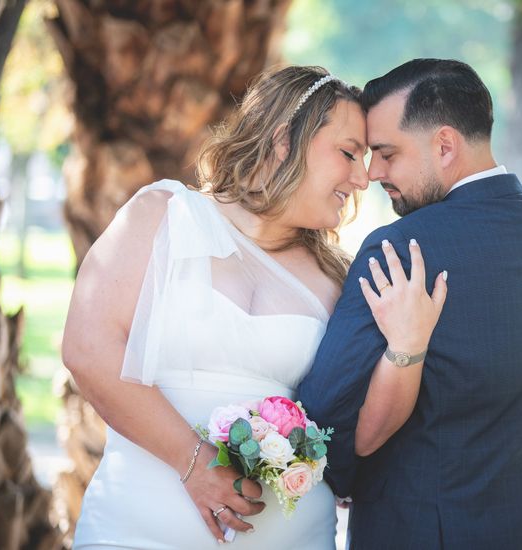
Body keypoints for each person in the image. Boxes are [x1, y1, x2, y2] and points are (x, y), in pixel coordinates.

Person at [62, 65, 445, 549]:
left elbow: (364, 426)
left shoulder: (339, 279)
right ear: (284, 140)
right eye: (348, 153)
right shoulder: (163, 214)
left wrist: (407, 347)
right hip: (134, 529)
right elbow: (87, 348)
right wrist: (194, 462)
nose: (363, 176)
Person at [298, 58, 522, 549]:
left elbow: (325, 412)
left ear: (445, 145)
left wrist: (342, 477)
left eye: (387, 154)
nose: (372, 174)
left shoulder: (402, 249)